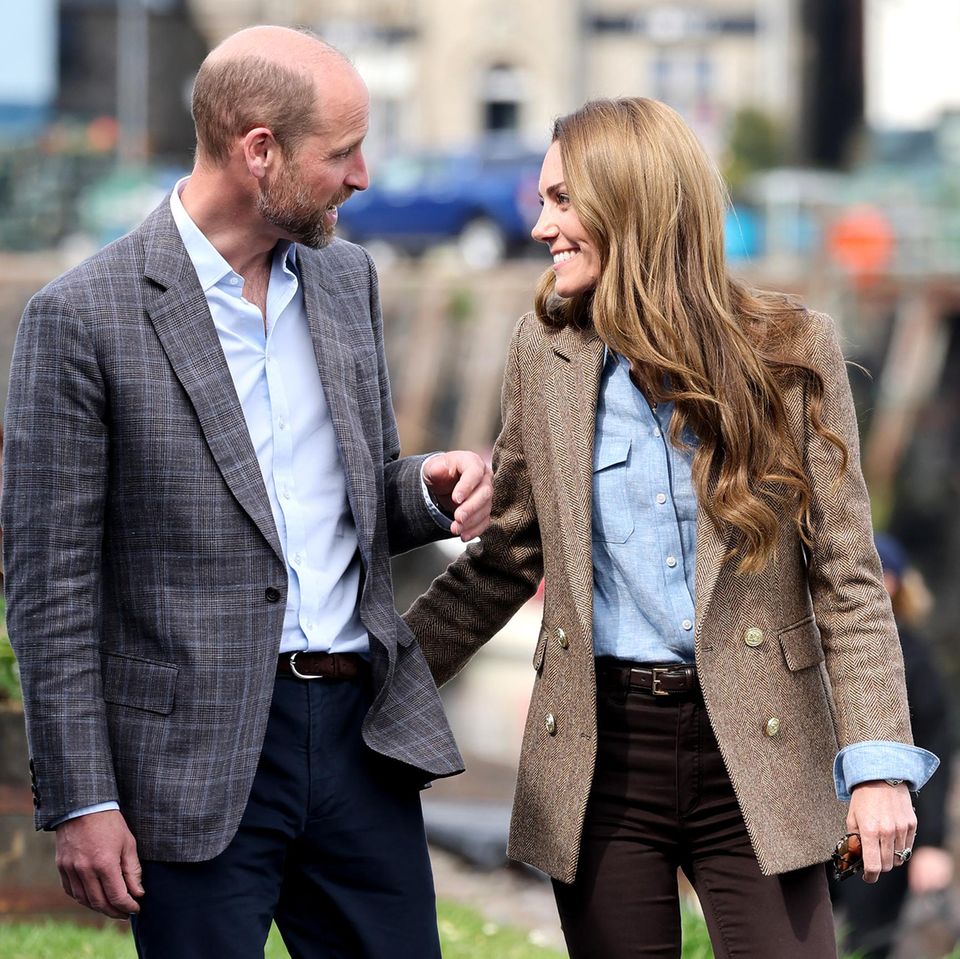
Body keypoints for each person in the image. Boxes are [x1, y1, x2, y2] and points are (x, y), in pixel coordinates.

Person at [404, 97, 939, 958]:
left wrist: (879, 762)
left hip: (760, 744)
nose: (541, 226)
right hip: (599, 754)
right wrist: (372, 680)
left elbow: (848, 574)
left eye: (561, 200)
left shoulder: (793, 350)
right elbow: (504, 558)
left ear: (632, 203)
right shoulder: (544, 355)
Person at [2, 25, 493, 959]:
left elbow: (348, 498)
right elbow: (49, 591)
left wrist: (423, 491)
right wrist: (84, 798)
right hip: (190, 758)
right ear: (257, 149)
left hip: (358, 739)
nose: (362, 176)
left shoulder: (346, 279)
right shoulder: (80, 318)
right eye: (342, 152)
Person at [831, 533, 955, 958]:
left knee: (870, 941)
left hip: (883, 824)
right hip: (818, 823)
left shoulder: (916, 659)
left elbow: (937, 750)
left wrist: (934, 845)